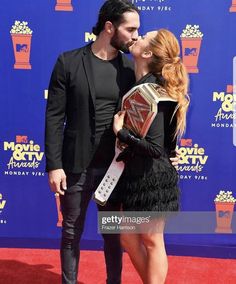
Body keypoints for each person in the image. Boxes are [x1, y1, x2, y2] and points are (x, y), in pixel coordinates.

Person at [45, 0, 178, 283]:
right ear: (109, 27)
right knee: (71, 233)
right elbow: (54, 118)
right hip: (75, 165)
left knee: (115, 236)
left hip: (117, 169)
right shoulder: (68, 62)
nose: (134, 36)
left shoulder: (132, 72)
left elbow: (160, 113)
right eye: (130, 29)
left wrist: (168, 151)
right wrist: (54, 165)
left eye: (138, 31)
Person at [113, 29, 189, 284]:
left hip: (152, 179)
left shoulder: (152, 89)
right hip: (134, 174)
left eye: (145, 36)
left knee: (151, 240)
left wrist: (121, 133)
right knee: (128, 238)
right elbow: (167, 145)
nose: (139, 35)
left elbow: (155, 148)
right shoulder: (143, 84)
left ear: (147, 52)